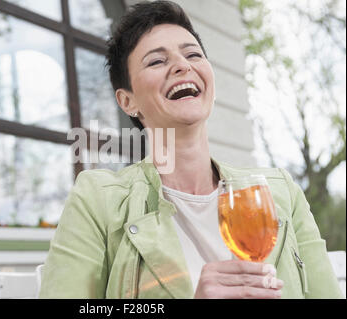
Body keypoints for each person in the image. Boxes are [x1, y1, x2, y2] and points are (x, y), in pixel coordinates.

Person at [39, 1, 343, 299]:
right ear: (127, 101)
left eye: (193, 54)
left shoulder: (280, 191)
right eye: (157, 61)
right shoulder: (98, 200)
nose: (182, 66)